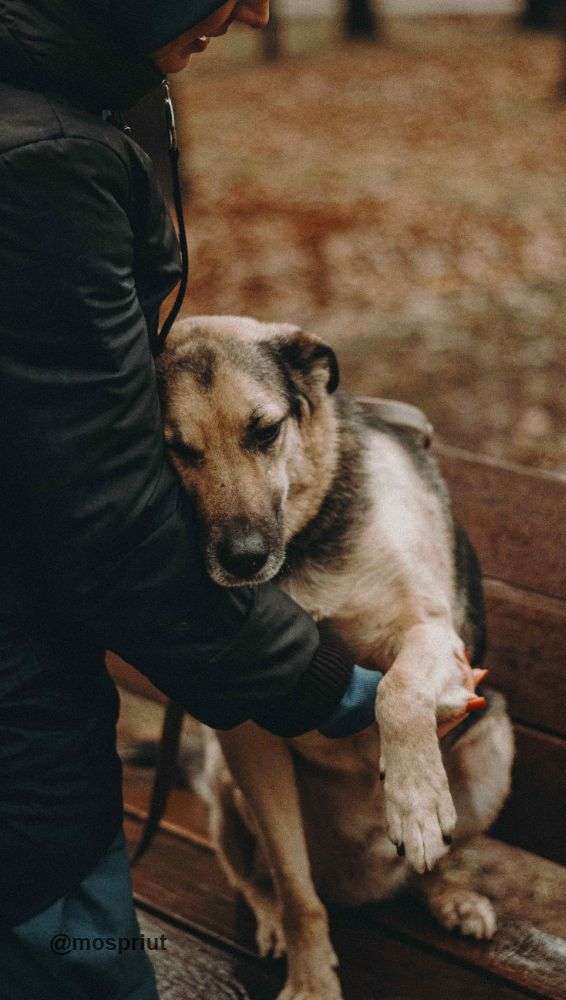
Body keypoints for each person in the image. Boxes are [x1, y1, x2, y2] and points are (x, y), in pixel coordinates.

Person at [0, 4, 478, 996]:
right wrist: (336, 691)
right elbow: (106, 512)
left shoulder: (61, 111)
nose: (260, 9)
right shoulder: (43, 156)